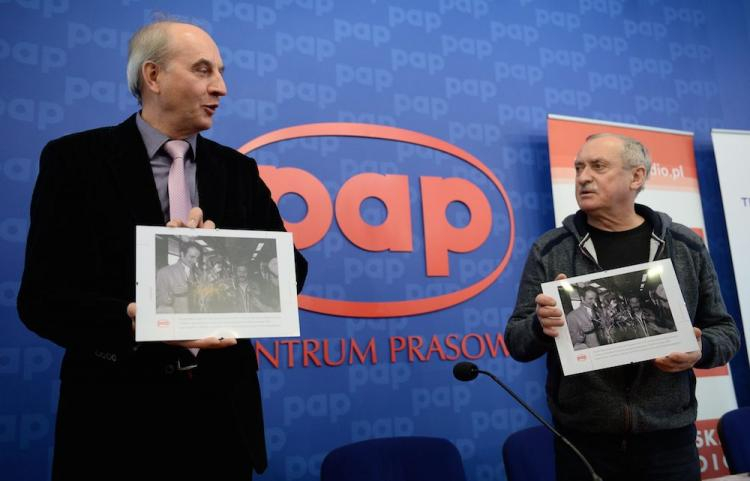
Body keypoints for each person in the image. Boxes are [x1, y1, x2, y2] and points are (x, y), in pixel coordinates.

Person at [16, 20, 308, 481]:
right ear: (152, 77)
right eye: (202, 70)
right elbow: (41, 301)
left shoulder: (238, 171)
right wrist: (136, 320)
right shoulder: (75, 161)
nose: (222, 87)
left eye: (221, 71)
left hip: (221, 426)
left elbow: (292, 272)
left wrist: (221, 255)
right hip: (114, 424)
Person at [504, 133, 739, 481]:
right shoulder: (550, 249)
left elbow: (726, 333)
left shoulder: (686, 246)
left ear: (637, 177)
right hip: (584, 444)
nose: (583, 176)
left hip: (669, 443)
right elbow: (516, 341)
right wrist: (542, 325)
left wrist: (699, 348)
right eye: (579, 167)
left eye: (598, 166)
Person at [155, 242, 201, 313]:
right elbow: (161, 303)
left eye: (197, 258)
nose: (195, 261)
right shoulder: (164, 272)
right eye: (192, 257)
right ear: (182, 255)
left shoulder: (198, 273)